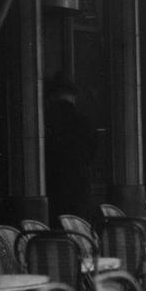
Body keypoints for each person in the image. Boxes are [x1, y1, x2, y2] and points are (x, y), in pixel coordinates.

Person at [44, 72, 97, 221]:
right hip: (79, 186)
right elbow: (91, 153)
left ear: (51, 96)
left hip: (52, 188)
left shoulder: (45, 120)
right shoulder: (84, 121)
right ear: (74, 96)